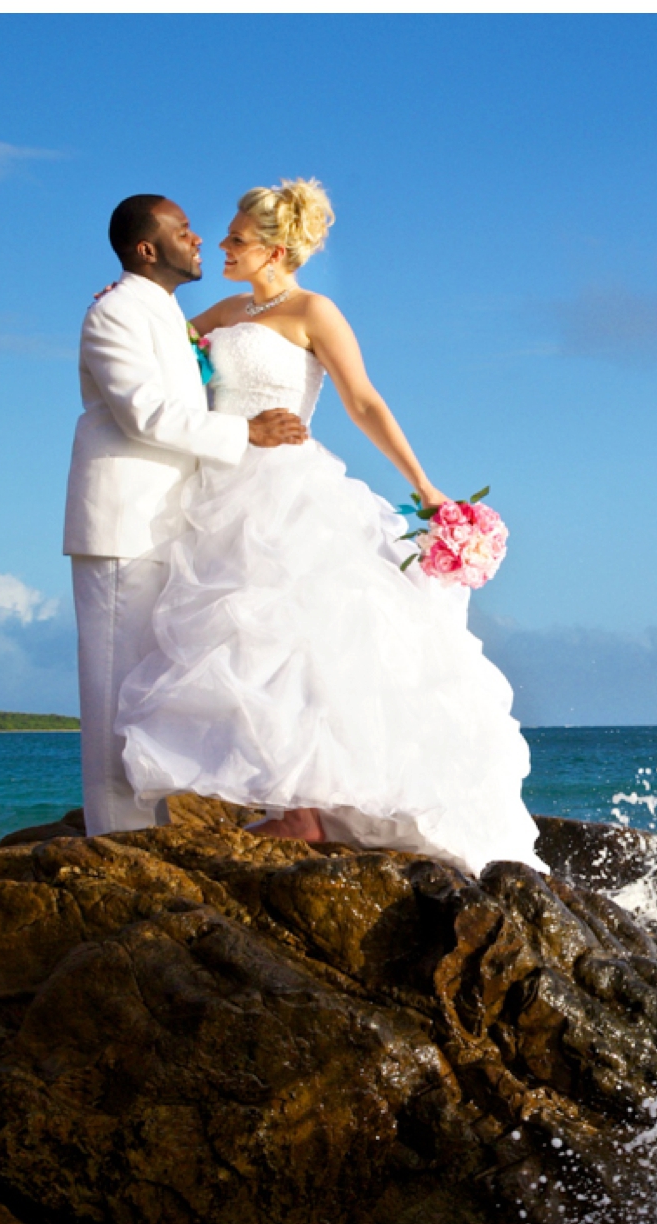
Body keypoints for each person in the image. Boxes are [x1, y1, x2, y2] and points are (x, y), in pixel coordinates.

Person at [112, 179, 544, 874]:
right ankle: (293, 806)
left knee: (303, 642)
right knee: (242, 647)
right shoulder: (221, 310)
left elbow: (364, 402)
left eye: (236, 240)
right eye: (222, 236)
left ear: (276, 249)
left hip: (287, 489)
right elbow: (165, 357)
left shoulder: (315, 312)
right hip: (218, 487)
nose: (221, 247)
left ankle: (303, 812)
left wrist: (425, 488)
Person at [65, 194, 307, 836]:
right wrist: (245, 433)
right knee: (116, 689)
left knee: (153, 687)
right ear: (147, 249)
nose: (198, 239)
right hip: (123, 523)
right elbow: (143, 412)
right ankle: (118, 840)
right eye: (184, 230)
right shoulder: (116, 311)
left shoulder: (169, 315)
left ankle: (157, 832)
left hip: (171, 523)